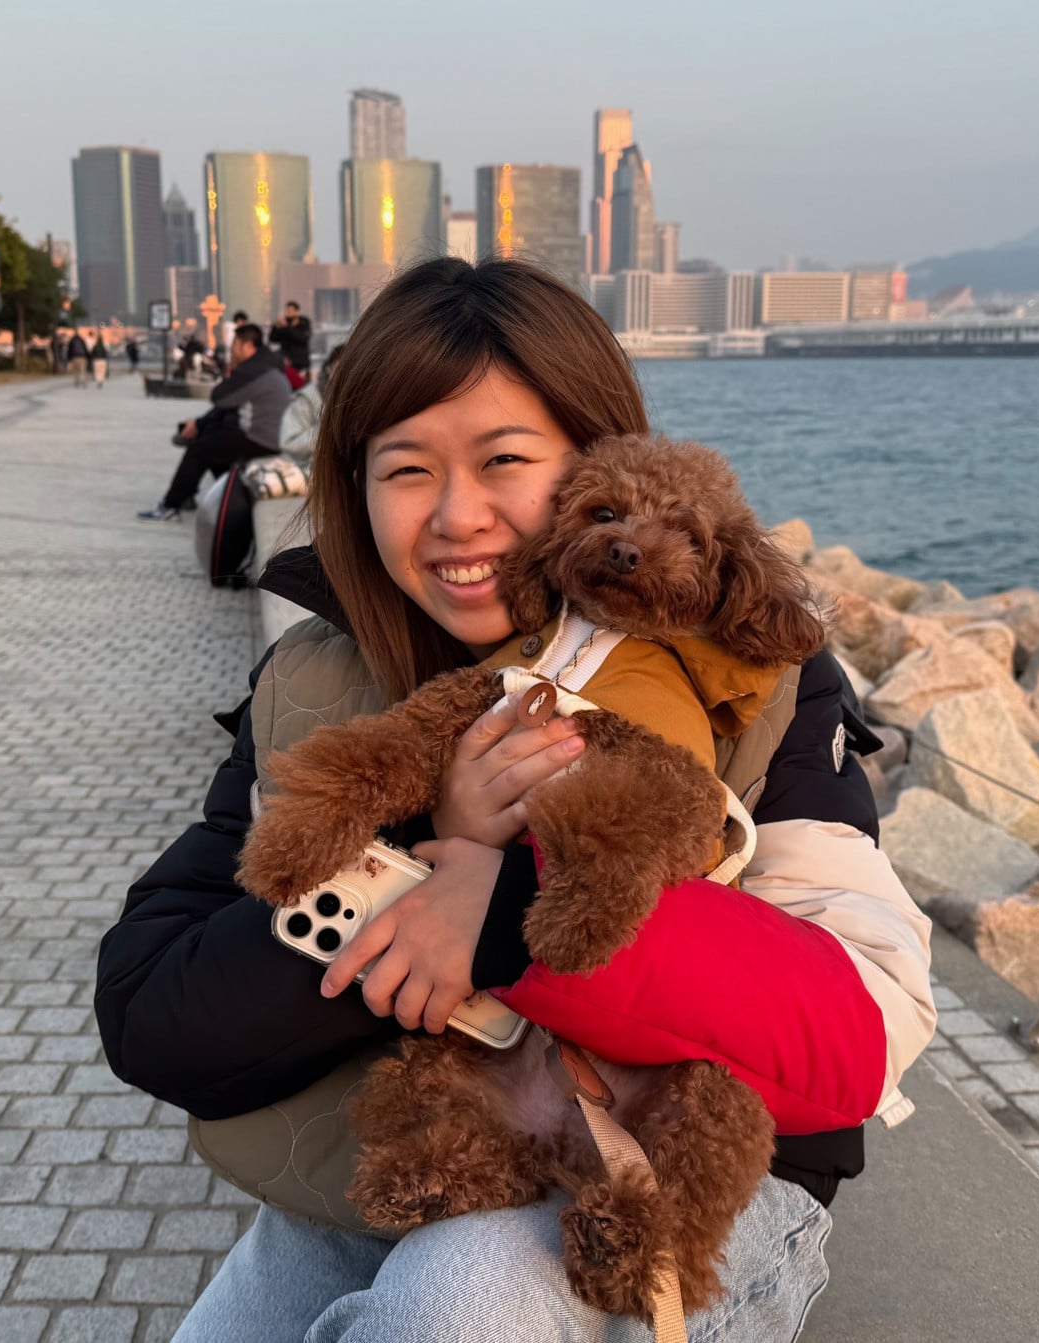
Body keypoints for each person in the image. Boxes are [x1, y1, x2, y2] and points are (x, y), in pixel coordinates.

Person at [97, 256, 936, 1340]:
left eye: (504, 459)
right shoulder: (312, 680)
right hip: (418, 1144)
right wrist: (427, 860)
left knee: (461, 1301)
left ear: (596, 455)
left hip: (673, 1173)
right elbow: (154, 1015)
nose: (457, 516)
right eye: (406, 469)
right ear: (353, 487)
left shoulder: (760, 684)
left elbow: (862, 1028)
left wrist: (498, 918)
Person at [138, 322, 293, 519]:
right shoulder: (267, 364)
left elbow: (219, 397)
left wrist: (233, 370)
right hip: (270, 435)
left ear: (247, 346)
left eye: (235, 345)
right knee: (211, 441)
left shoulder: (252, 370)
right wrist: (200, 424)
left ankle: (170, 506)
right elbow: (227, 406)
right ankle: (193, 497)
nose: (232, 350)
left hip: (258, 438)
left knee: (199, 450)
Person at [269, 300, 313, 376]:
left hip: (300, 362)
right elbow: (273, 339)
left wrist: (287, 327)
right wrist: (275, 326)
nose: (288, 313)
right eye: (287, 310)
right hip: (285, 362)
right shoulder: (285, 323)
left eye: (290, 311)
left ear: (297, 312)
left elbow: (302, 338)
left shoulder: (304, 322)